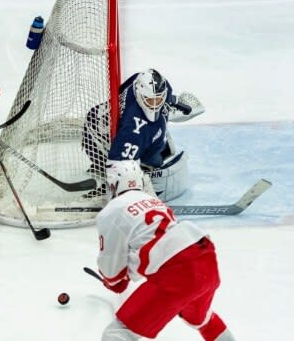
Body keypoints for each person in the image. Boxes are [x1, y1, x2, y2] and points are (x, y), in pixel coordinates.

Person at [95, 159, 235, 341]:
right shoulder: (153, 200)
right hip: (204, 259)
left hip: (176, 272)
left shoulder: (111, 211)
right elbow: (156, 248)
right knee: (204, 320)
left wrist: (114, 282)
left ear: (113, 184)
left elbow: (113, 274)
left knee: (117, 334)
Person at [82, 68, 205, 201]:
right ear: (139, 93)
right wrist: (126, 186)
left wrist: (173, 101)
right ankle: (102, 170)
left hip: (96, 117)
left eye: (158, 100)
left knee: (160, 144)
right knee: (154, 161)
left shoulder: (137, 80)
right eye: (150, 101)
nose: (154, 105)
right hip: (95, 140)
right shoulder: (134, 129)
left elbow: (121, 92)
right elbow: (117, 163)